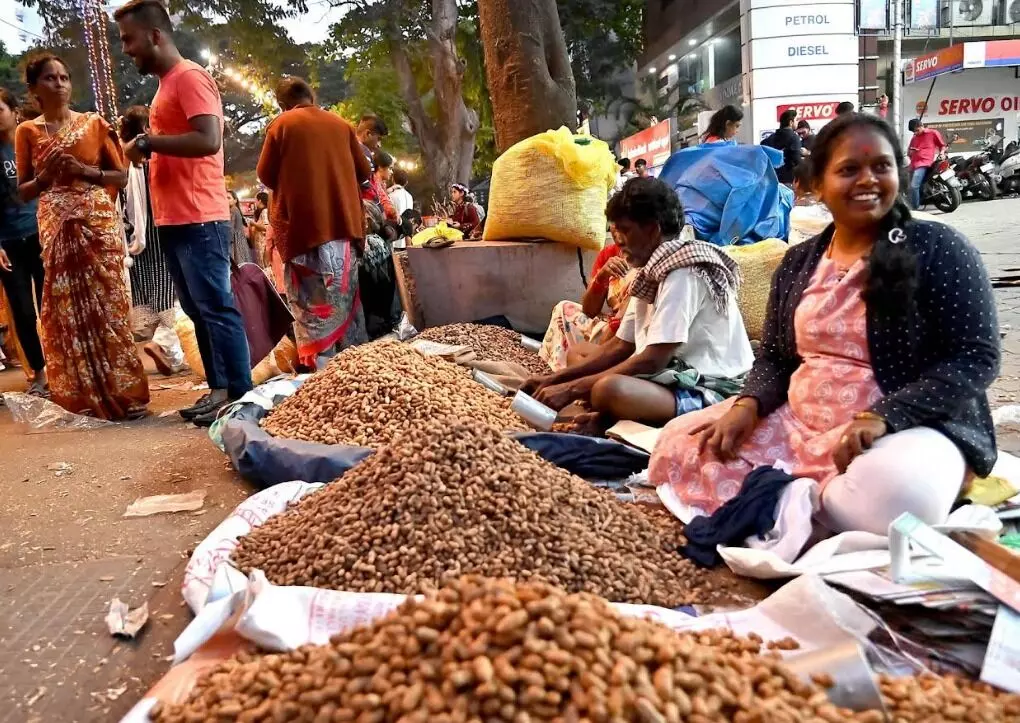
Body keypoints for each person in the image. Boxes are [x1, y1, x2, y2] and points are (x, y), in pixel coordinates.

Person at [649, 113, 999, 535]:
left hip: (911, 424)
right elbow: (777, 356)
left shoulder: (939, 248)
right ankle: (804, 508)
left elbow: (975, 358)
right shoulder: (800, 261)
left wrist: (885, 415)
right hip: (800, 423)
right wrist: (749, 405)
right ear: (817, 184)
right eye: (850, 169)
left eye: (881, 167)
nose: (868, 180)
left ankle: (797, 507)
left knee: (895, 496)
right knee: (680, 444)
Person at [116, 0, 252, 424]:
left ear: (155, 35)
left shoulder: (190, 77)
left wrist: (148, 144)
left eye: (129, 39)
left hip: (200, 216)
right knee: (198, 311)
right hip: (175, 219)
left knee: (216, 308)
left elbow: (209, 139)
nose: (126, 50)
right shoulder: (165, 86)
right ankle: (218, 392)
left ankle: (240, 396)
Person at [522, 177, 754, 426]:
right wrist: (553, 380)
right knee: (582, 356)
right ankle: (612, 416)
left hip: (709, 387)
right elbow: (620, 346)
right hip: (670, 375)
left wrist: (571, 389)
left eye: (625, 230)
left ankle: (612, 416)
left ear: (653, 230)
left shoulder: (683, 273)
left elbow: (653, 359)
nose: (618, 241)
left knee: (607, 390)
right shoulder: (651, 273)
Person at [15, 54, 149, 419]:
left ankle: (124, 392)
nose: (59, 83)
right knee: (67, 309)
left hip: (96, 221)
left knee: (108, 304)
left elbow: (120, 176)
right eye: (49, 78)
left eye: (64, 77)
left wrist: (83, 171)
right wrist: (45, 178)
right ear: (34, 89)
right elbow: (23, 190)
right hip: (56, 222)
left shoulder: (93, 124)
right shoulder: (27, 131)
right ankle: (83, 395)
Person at [256, 75, 371, 368]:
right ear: (312, 97)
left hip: (303, 234)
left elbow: (265, 175)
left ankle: (323, 371)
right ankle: (356, 368)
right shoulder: (342, 125)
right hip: (344, 231)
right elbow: (363, 172)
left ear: (284, 105)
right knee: (344, 300)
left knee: (314, 304)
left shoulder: (281, 126)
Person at [119, 104, 186, 376]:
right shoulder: (154, 161)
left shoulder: (121, 161)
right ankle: (162, 344)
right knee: (173, 296)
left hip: (135, 241)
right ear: (146, 129)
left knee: (153, 299)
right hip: (161, 234)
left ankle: (172, 355)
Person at [0, 87, 47, 396]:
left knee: (52, 308)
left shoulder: (31, 138)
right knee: (23, 312)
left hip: (42, 233)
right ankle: (40, 374)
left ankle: (64, 370)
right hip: (9, 241)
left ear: (13, 110)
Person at [540, 235, 636, 371]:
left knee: (578, 353)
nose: (618, 233)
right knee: (564, 308)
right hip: (609, 325)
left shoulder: (645, 261)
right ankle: (549, 369)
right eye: (615, 225)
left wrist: (609, 334)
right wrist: (602, 276)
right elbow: (589, 311)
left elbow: (627, 319)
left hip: (627, 334)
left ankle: (558, 374)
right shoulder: (609, 254)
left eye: (625, 228)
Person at [907, 118, 947, 210]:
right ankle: (920, 199)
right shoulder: (914, 138)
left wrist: (942, 153)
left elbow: (942, 145)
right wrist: (911, 152)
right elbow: (909, 152)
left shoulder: (932, 133)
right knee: (909, 185)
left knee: (914, 186)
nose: (916, 133)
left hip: (924, 162)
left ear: (921, 126)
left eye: (917, 130)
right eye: (914, 131)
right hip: (914, 164)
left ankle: (914, 209)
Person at [763, 109, 803, 185]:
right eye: (797, 120)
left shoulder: (770, 138)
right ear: (791, 122)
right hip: (789, 180)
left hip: (773, 180)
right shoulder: (794, 137)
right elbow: (797, 160)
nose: (798, 122)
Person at [371, 150, 398, 223]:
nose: (392, 172)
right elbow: (383, 202)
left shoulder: (381, 184)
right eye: (390, 168)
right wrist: (394, 213)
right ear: (380, 167)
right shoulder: (375, 183)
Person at [227, 190, 253, 266]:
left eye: (229, 198)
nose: (226, 200)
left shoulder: (233, 210)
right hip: (240, 241)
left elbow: (230, 229)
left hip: (236, 242)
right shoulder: (236, 209)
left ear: (235, 200)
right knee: (243, 265)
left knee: (238, 266)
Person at [250, 190, 270, 265]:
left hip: (263, 245)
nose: (255, 202)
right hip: (260, 245)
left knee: (264, 266)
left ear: (260, 200)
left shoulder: (265, 211)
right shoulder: (262, 212)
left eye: (256, 200)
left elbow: (266, 227)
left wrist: (253, 223)